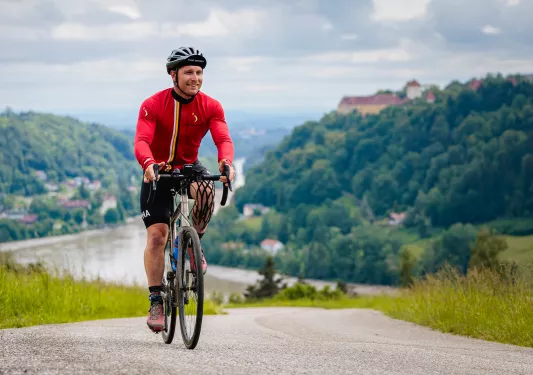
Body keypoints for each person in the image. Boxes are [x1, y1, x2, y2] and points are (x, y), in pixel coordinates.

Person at [133, 46, 235, 332]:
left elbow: (223, 139)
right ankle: (156, 300)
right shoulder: (152, 104)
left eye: (199, 72)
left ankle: (190, 245)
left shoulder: (211, 106)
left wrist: (226, 163)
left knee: (204, 192)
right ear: (173, 74)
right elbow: (142, 140)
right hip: (158, 169)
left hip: (189, 165)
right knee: (157, 236)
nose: (195, 78)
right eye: (189, 72)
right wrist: (148, 163)